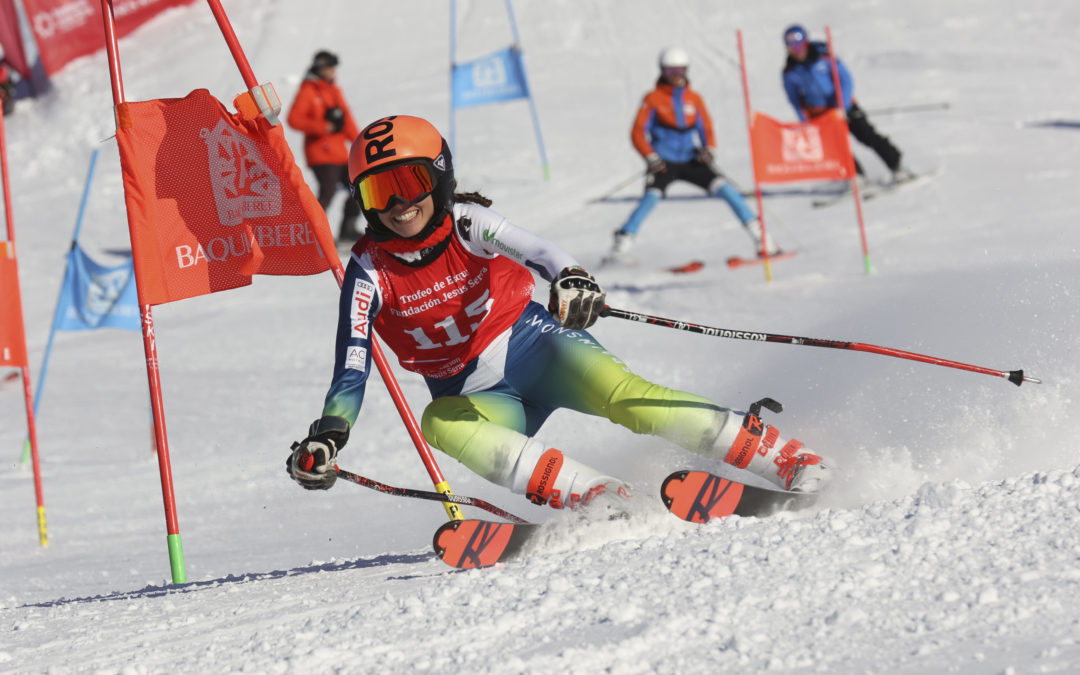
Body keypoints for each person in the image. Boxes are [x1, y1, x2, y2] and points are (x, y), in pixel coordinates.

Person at [284, 114, 830, 511]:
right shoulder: (367, 271)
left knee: (630, 401)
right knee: (439, 423)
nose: (400, 204)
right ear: (362, 201)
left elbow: (542, 253)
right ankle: (598, 497)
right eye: (381, 191)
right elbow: (352, 365)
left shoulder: (468, 222)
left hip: (536, 348)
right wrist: (330, 433)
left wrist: (571, 280)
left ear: (440, 176)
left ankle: (784, 457)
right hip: (476, 397)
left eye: (412, 183)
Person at [604, 47, 777, 265]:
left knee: (727, 190)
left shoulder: (693, 99)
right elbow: (637, 132)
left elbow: (706, 128)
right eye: (670, 71)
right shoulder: (653, 99)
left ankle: (762, 241)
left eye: (680, 70)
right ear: (662, 71)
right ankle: (620, 247)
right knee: (651, 198)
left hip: (691, 159)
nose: (676, 75)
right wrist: (651, 157)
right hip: (663, 162)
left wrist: (709, 149)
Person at [781, 25, 913, 183]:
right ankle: (856, 177)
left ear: (806, 43)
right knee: (837, 148)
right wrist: (804, 119)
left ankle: (897, 166)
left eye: (800, 46)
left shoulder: (824, 57)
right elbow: (794, 99)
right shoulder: (790, 72)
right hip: (820, 114)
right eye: (792, 48)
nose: (797, 51)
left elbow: (845, 80)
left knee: (867, 135)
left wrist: (841, 106)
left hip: (845, 108)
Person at [287, 50, 363, 243]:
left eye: (333, 68)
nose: (332, 71)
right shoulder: (308, 90)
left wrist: (360, 142)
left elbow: (346, 121)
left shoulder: (334, 91)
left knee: (360, 188)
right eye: (329, 67)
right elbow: (294, 119)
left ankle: (347, 230)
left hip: (339, 154)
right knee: (327, 192)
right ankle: (311, 235)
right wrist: (324, 127)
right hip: (320, 155)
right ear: (320, 67)